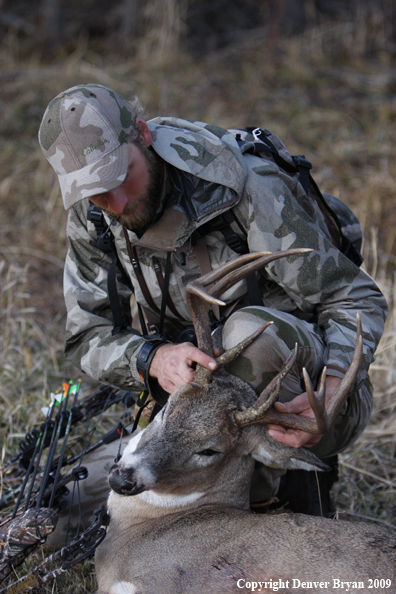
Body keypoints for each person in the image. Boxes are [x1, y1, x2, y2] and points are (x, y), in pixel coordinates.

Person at [38, 84, 387, 539]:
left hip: (302, 407)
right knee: (63, 511)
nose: (116, 203)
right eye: (96, 191)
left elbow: (356, 299)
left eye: (120, 177)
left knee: (249, 334)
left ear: (142, 135)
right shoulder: (94, 215)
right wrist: (152, 359)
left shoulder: (245, 188)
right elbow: (87, 336)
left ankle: (263, 512)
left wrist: (335, 383)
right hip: (189, 418)